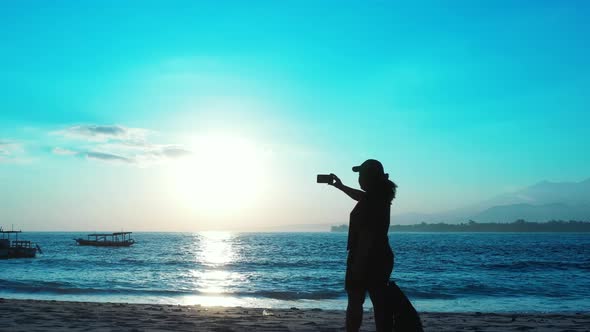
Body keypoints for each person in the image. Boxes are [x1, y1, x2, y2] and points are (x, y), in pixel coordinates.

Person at [327, 159, 397, 332]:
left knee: (356, 301)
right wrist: (340, 186)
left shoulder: (373, 200)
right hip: (381, 256)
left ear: (369, 177)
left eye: (361, 175)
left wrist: (358, 263)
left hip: (365, 257)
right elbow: (361, 196)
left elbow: (368, 235)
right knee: (379, 303)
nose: (359, 179)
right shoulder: (380, 197)